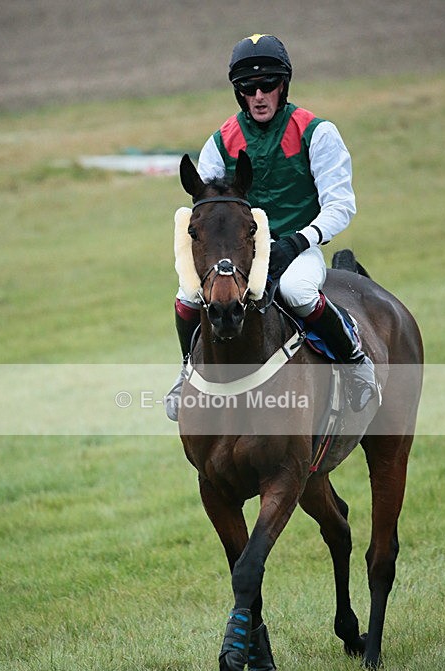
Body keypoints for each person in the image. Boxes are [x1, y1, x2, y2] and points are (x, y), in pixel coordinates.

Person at [165, 33, 378, 421]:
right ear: (239, 93)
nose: (259, 95)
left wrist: (300, 241)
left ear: (284, 86)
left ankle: (356, 362)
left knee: (297, 290)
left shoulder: (317, 132)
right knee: (189, 293)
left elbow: (341, 205)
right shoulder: (220, 141)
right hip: (242, 251)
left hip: (298, 245)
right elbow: (207, 207)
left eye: (268, 85)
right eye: (249, 88)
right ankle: (186, 372)